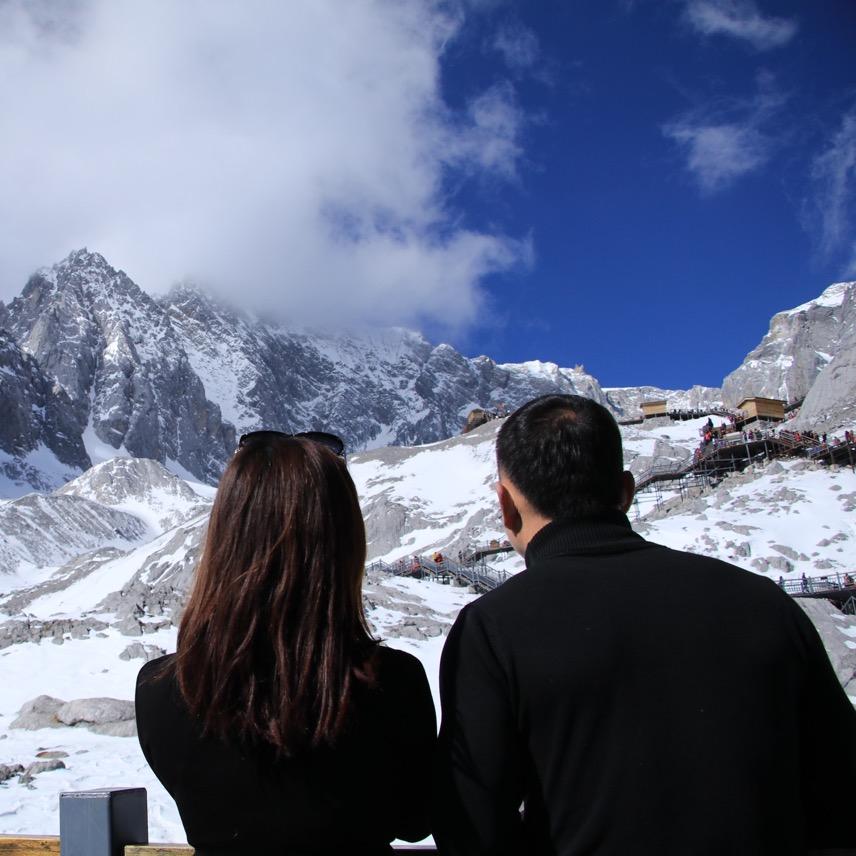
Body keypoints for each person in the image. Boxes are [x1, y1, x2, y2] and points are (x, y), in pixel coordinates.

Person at [434, 395, 856, 856]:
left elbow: (471, 825)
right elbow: (841, 792)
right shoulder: (765, 603)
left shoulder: (493, 627)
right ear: (626, 491)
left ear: (506, 505)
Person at [136, 431, 435, 855]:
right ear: (343, 543)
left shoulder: (161, 689)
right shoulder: (394, 682)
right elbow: (415, 821)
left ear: (225, 537)